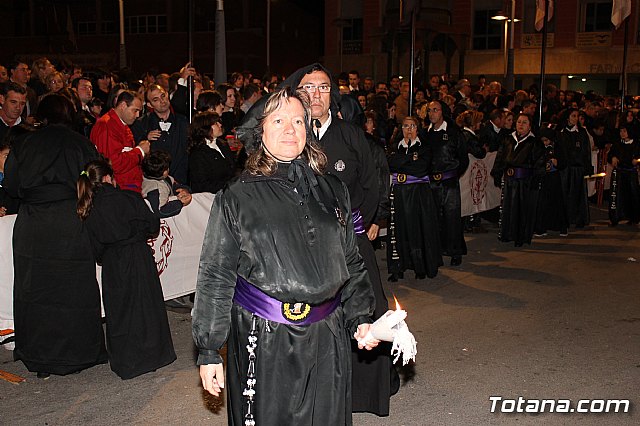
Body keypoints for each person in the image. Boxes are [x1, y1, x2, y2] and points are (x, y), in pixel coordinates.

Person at [193, 87, 378, 425]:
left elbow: (351, 260)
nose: (290, 129)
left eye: (297, 120)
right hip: (264, 337)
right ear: (259, 132)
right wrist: (208, 350)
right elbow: (215, 275)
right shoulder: (237, 196)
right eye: (278, 120)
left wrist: (360, 317)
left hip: (328, 334)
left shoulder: (333, 190)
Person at [3, 94, 107, 378]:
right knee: (75, 286)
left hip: (33, 226)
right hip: (71, 222)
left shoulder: (24, 142)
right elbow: (95, 181)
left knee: (34, 288)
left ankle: (40, 355)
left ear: (41, 115)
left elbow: (10, 183)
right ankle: (81, 352)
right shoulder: (81, 143)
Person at [77, 159, 177, 379]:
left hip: (113, 262)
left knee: (120, 311)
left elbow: (93, 245)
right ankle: (155, 355)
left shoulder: (87, 207)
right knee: (147, 306)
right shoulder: (128, 198)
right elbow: (152, 226)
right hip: (138, 255)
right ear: (107, 178)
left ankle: (126, 361)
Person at [387, 115, 443, 280]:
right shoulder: (394, 146)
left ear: (418, 129)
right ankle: (398, 268)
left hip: (419, 194)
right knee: (397, 230)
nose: (408, 129)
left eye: (412, 126)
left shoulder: (425, 147)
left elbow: (421, 168)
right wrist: (410, 158)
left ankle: (420, 267)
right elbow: (390, 163)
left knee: (418, 229)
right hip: (398, 194)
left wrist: (402, 163)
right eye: (405, 126)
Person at [491, 113, 546, 247]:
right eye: (519, 122)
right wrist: (497, 173)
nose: (520, 125)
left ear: (530, 126)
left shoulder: (534, 142)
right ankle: (507, 234)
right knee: (508, 208)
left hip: (525, 181)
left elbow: (539, 163)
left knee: (523, 209)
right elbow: (500, 157)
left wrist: (535, 180)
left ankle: (520, 236)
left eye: (524, 123)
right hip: (510, 179)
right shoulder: (508, 139)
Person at [425, 100, 468, 266]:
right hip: (431, 183)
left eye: (435, 110)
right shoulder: (425, 134)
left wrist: (453, 174)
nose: (432, 113)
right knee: (434, 218)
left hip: (449, 182)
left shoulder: (453, 133)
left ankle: (455, 252)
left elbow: (463, 158)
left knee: (452, 217)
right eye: (429, 110)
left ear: (442, 112)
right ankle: (437, 250)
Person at [90, 90, 150, 193]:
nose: (137, 115)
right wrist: (140, 151)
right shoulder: (107, 125)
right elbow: (113, 163)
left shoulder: (121, 124)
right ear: (122, 105)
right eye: (135, 110)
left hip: (129, 185)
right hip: (120, 189)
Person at [556, 108, 593, 228]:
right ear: (567, 117)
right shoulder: (561, 132)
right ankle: (564, 218)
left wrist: (587, 168)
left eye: (577, 116)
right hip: (565, 168)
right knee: (564, 194)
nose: (575, 118)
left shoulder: (582, 132)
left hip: (578, 168)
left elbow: (586, 151)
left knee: (577, 194)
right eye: (573, 116)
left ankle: (578, 218)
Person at [188, 111, 236, 194]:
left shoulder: (222, 144)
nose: (220, 125)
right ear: (205, 128)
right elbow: (201, 185)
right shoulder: (198, 153)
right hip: (212, 197)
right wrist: (229, 185)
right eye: (215, 123)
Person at [534, 127, 569, 237]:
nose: (545, 143)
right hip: (543, 178)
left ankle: (562, 227)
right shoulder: (539, 148)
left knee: (558, 202)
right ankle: (541, 227)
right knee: (542, 203)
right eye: (543, 140)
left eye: (547, 140)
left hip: (554, 178)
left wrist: (557, 162)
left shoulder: (558, 148)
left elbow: (564, 162)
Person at [141, 150, 192, 218]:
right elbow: (160, 211)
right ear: (164, 172)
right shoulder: (155, 189)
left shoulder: (164, 178)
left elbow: (172, 186)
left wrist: (184, 190)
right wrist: (180, 203)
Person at [607, 123, 640, 225]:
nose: (622, 133)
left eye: (624, 131)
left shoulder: (636, 144)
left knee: (632, 195)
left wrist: (637, 160)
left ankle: (633, 217)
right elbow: (611, 154)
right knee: (617, 196)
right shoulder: (617, 143)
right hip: (619, 173)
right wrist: (612, 157)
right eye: (621, 131)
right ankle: (616, 217)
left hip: (631, 173)